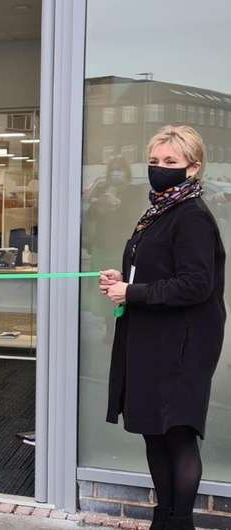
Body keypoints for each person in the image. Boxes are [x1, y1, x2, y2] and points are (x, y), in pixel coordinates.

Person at [100, 125, 225, 530]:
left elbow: (196, 284)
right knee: (154, 432)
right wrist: (123, 280)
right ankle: (163, 519)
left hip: (182, 345)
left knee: (178, 435)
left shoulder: (191, 216)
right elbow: (159, 269)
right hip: (152, 339)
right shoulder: (159, 210)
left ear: (193, 168)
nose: (160, 169)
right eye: (154, 161)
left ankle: (180, 523)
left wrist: (132, 292)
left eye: (171, 162)